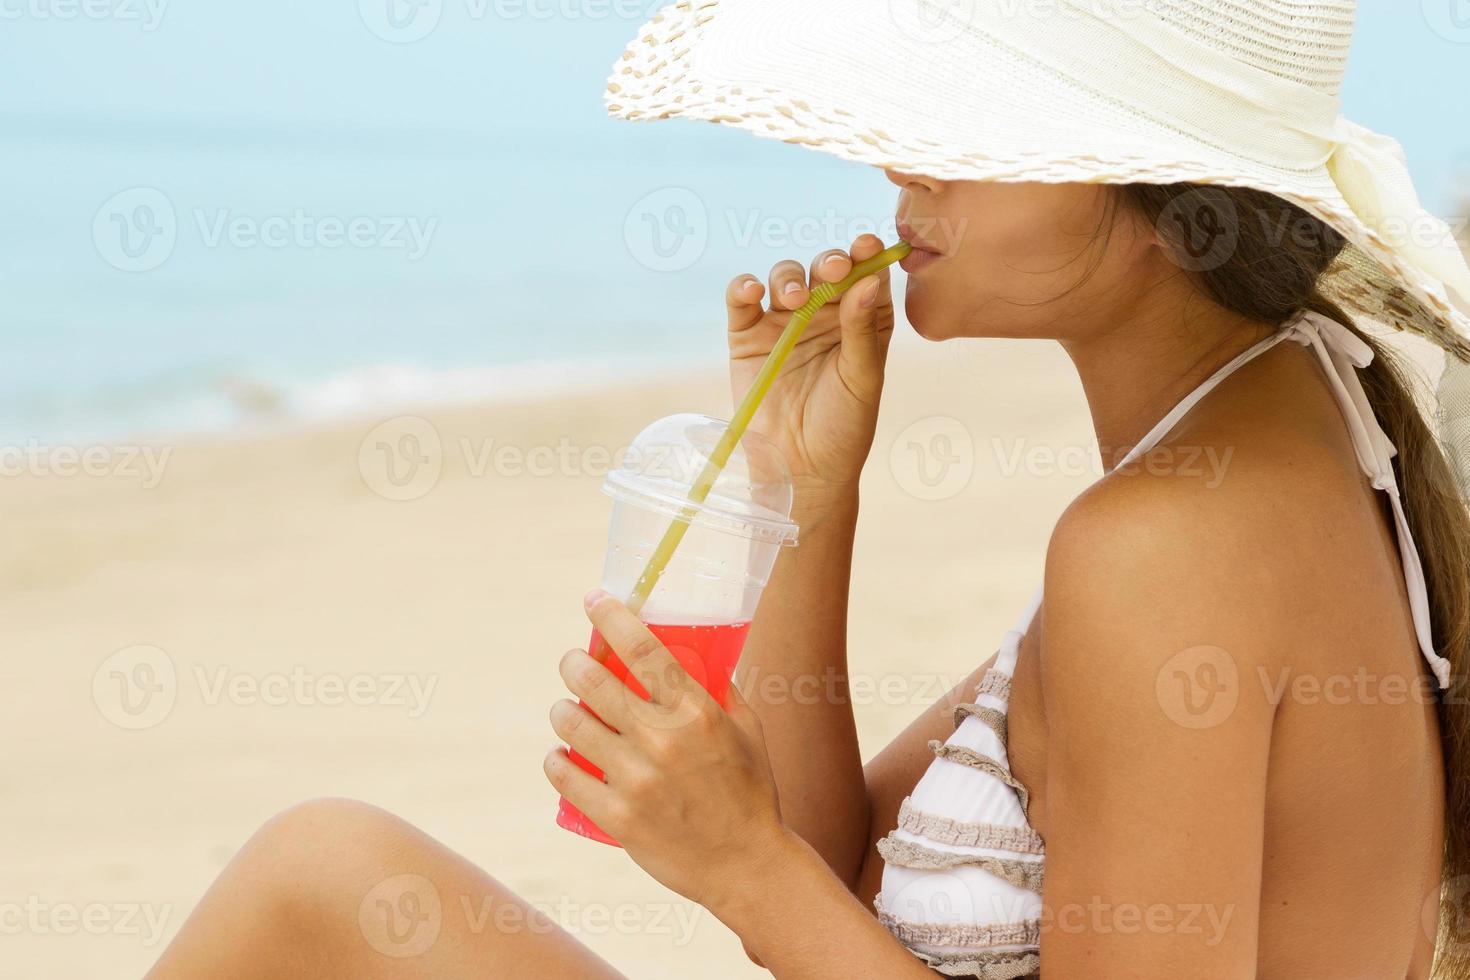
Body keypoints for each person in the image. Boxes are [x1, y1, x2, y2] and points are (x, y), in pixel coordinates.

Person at [147, 1, 1470, 976]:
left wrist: (736, 863)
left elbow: (788, 884)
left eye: (977, 126)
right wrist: (799, 494)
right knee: (325, 872)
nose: (906, 161)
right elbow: (846, 872)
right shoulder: (1290, 422)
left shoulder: (1162, 543)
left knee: (315, 884)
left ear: (1165, 194)